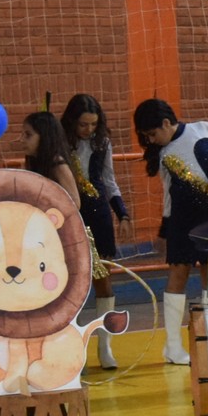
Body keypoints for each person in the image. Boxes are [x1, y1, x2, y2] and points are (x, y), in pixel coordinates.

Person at [133, 98, 208, 365]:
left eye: (152, 134)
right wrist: (164, 229)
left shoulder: (204, 129)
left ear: (165, 123)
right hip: (182, 222)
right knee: (178, 275)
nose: (151, 140)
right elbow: (168, 196)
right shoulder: (163, 155)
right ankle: (172, 346)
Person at [62, 93, 131, 369]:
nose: (88, 130)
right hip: (69, 215)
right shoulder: (59, 143)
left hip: (99, 214)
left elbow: (109, 180)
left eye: (93, 124)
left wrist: (122, 214)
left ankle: (105, 347)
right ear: (71, 122)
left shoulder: (102, 142)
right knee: (69, 283)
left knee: (103, 278)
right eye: (83, 125)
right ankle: (70, 349)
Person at [21, 111, 79, 204]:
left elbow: (75, 202)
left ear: (45, 136)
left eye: (28, 135)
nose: (22, 140)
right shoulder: (33, 161)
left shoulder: (58, 165)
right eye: (22, 134)